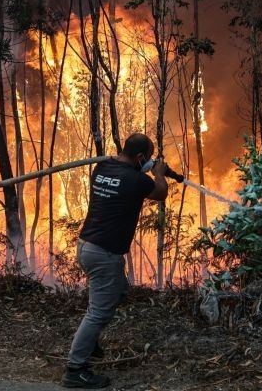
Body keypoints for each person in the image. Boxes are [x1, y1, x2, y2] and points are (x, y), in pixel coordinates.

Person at [62, 133, 168, 389]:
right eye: (148, 158)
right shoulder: (136, 180)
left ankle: (89, 341)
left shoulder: (101, 167)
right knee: (97, 313)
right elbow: (161, 193)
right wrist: (160, 172)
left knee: (120, 291)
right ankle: (75, 370)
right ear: (141, 157)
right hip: (104, 254)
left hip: (87, 246)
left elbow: (119, 166)